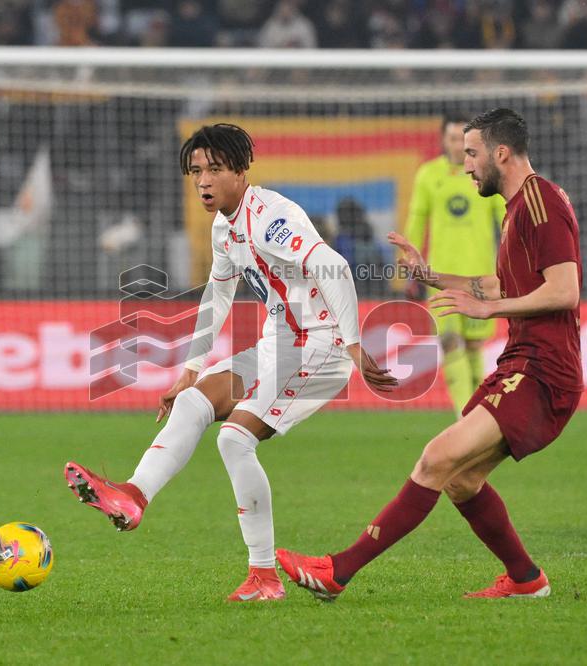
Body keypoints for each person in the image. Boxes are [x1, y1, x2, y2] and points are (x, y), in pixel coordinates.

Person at [65, 123, 397, 602]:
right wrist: (190, 370)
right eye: (196, 170)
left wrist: (352, 345)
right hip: (279, 342)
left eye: (215, 169)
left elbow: (335, 268)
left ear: (241, 172)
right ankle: (133, 496)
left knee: (235, 440)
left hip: (319, 345)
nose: (203, 180)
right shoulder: (225, 227)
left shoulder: (270, 218)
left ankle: (264, 577)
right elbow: (217, 297)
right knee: (193, 402)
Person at [277, 108, 583, 600]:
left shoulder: (540, 204)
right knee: (461, 479)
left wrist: (491, 311)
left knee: (436, 458)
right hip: (523, 362)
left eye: (471, 153)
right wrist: (432, 277)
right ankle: (526, 579)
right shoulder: (519, 207)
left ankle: (338, 571)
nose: (464, 166)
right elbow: (502, 282)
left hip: (543, 370)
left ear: (500, 153)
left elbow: (565, 290)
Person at [405, 112, 506, 417]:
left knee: (475, 346)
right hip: (440, 276)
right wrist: (411, 263)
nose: (456, 146)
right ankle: (464, 414)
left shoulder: (486, 175)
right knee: (449, 341)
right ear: (442, 139)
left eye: (462, 141)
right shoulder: (428, 174)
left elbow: (506, 219)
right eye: (451, 139)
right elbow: (417, 219)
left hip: (480, 277)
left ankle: (480, 412)